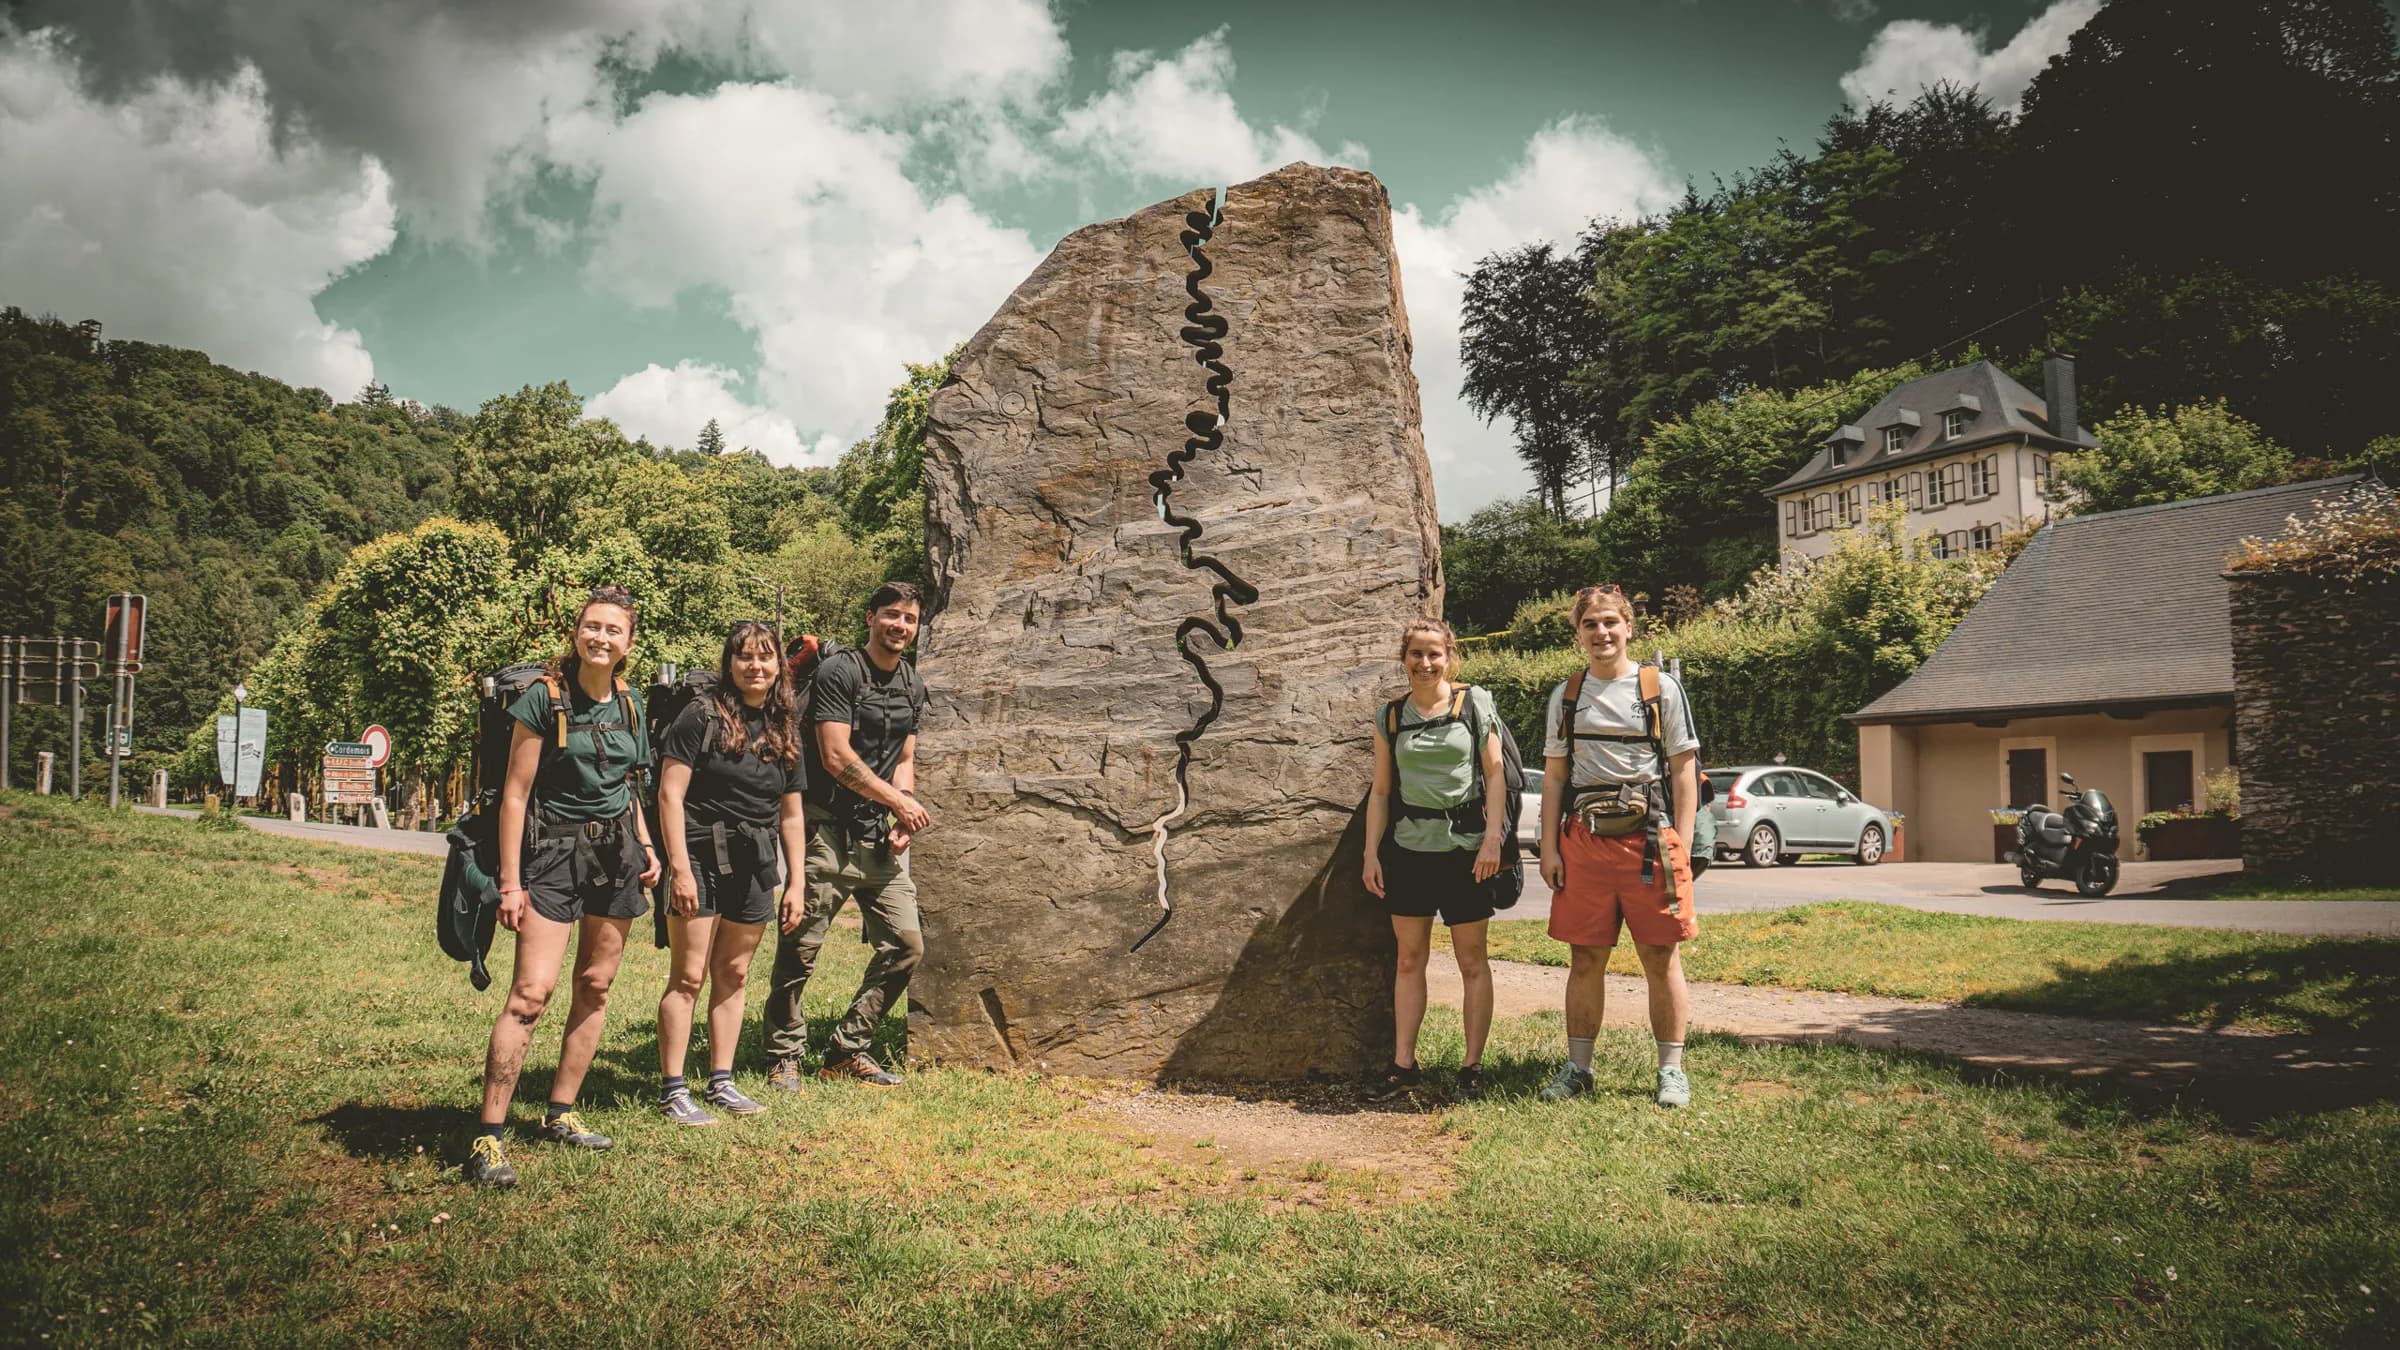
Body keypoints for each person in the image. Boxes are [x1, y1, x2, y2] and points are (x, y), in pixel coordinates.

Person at [468, 586, 661, 1188]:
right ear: (578, 632)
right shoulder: (542, 699)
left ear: (629, 644)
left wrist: (648, 846)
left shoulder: (631, 705)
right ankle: (489, 1136)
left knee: (597, 986)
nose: (601, 637)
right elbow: (515, 795)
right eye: (592, 626)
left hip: (618, 855)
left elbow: (632, 787)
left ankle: (561, 1113)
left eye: (614, 630)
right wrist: (508, 884)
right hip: (552, 855)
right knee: (531, 994)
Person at [1536, 584, 1702, 1109]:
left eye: (1610, 622)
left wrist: (1683, 843)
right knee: (1585, 957)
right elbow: (1555, 774)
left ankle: (1671, 1071)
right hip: (1583, 842)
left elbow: (1684, 770)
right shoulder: (1566, 695)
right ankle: (1578, 1069)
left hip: (1651, 842)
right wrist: (1548, 847)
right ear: (1579, 633)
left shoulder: (1662, 689)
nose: (1601, 632)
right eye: (1590, 624)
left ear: (1629, 627)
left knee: (1660, 954)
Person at [761, 582, 931, 1089]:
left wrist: (901, 816)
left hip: (877, 835)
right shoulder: (841, 672)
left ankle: (847, 1050)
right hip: (825, 830)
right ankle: (782, 1053)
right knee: (801, 948)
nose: (900, 626)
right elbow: (835, 757)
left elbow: (905, 758)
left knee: (906, 945)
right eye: (891, 616)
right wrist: (897, 802)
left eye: (909, 619)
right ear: (870, 618)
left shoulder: (912, 684)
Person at [652, 621, 810, 1126]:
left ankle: (721, 1081)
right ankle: (674, 1089)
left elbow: (791, 813)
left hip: (756, 859)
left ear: (778, 666)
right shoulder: (700, 715)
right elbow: (669, 794)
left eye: (765, 657)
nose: (755, 666)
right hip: (699, 854)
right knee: (689, 975)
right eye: (745, 657)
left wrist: (797, 881)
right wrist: (679, 868)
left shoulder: (786, 725)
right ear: (730, 663)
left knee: (735, 974)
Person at [1361, 618, 1503, 1101]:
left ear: (1449, 656)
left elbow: (1498, 774)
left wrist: (1492, 842)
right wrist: (1370, 854)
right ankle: (1404, 1064)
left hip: (1467, 851)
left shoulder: (1474, 703)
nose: (1425, 664)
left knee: (1472, 961)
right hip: (1409, 851)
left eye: (1434, 654)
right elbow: (1380, 791)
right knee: (1408, 961)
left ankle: (1472, 1067)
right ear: (1404, 659)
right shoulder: (1391, 716)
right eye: (1416, 655)